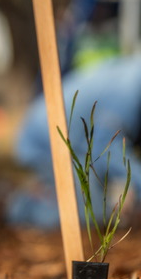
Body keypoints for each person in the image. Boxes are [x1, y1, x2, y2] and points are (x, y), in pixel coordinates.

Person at [9, 54, 141, 229]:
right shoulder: (128, 91)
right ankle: (22, 209)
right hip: (46, 141)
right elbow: (104, 147)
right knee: (89, 216)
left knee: (97, 212)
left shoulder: (133, 76)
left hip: (75, 146)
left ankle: (41, 194)